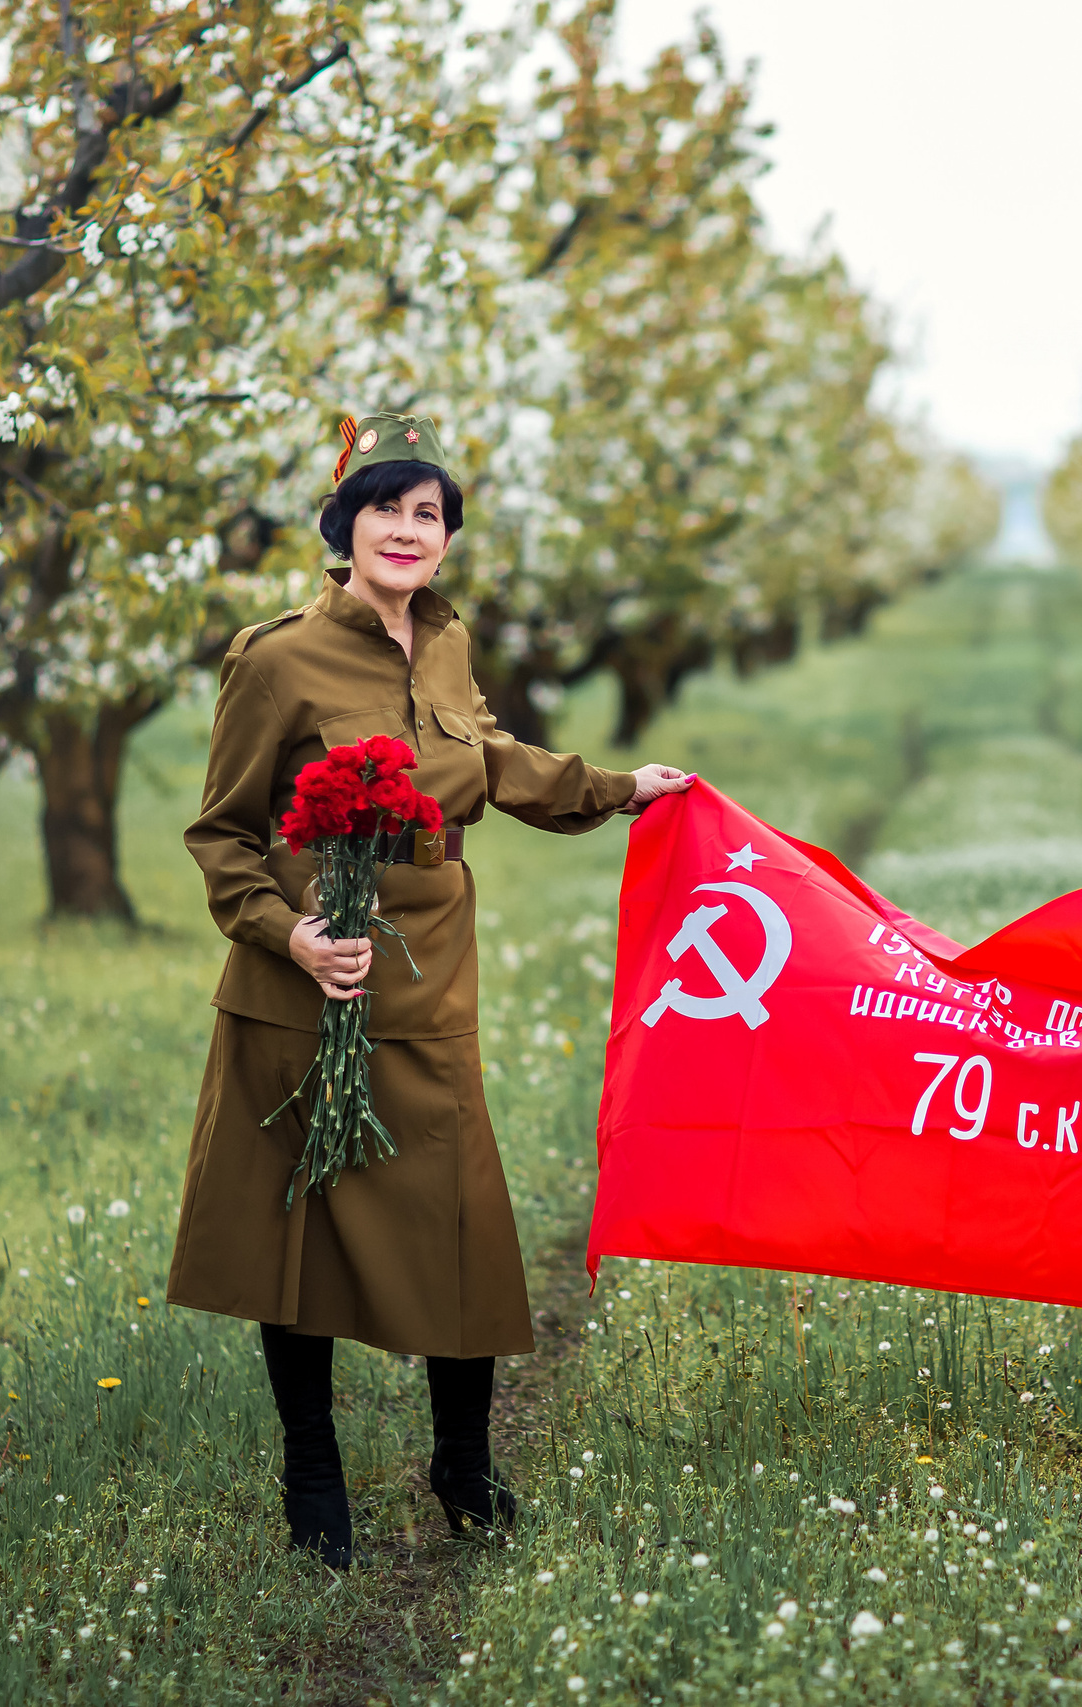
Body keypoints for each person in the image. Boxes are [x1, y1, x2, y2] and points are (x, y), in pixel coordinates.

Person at [168, 411, 695, 1567]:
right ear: (342, 523)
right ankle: (313, 1477)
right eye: (386, 508)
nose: (407, 531)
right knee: (293, 1235)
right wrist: (292, 935)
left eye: (428, 514)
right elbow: (222, 833)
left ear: (447, 539)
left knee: (462, 1220)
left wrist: (619, 786)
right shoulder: (276, 658)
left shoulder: (448, 644)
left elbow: (491, 760)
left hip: (430, 972)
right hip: (309, 982)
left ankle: (462, 1466)